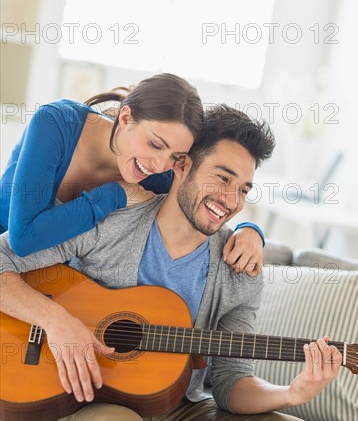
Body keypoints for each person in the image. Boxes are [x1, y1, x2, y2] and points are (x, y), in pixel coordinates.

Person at [0, 105, 341, 421]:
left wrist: (292, 392)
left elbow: (230, 383)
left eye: (243, 189)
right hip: (92, 404)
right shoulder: (111, 221)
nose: (230, 199)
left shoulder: (240, 271)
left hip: (180, 413)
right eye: (222, 177)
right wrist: (55, 320)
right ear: (181, 166)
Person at [0, 73, 264, 274]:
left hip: (56, 283)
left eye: (175, 156)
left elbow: (199, 206)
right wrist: (117, 194)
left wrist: (250, 231)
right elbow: (23, 238)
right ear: (125, 118)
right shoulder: (55, 123)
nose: (160, 164)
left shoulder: (158, 177)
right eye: (155, 144)